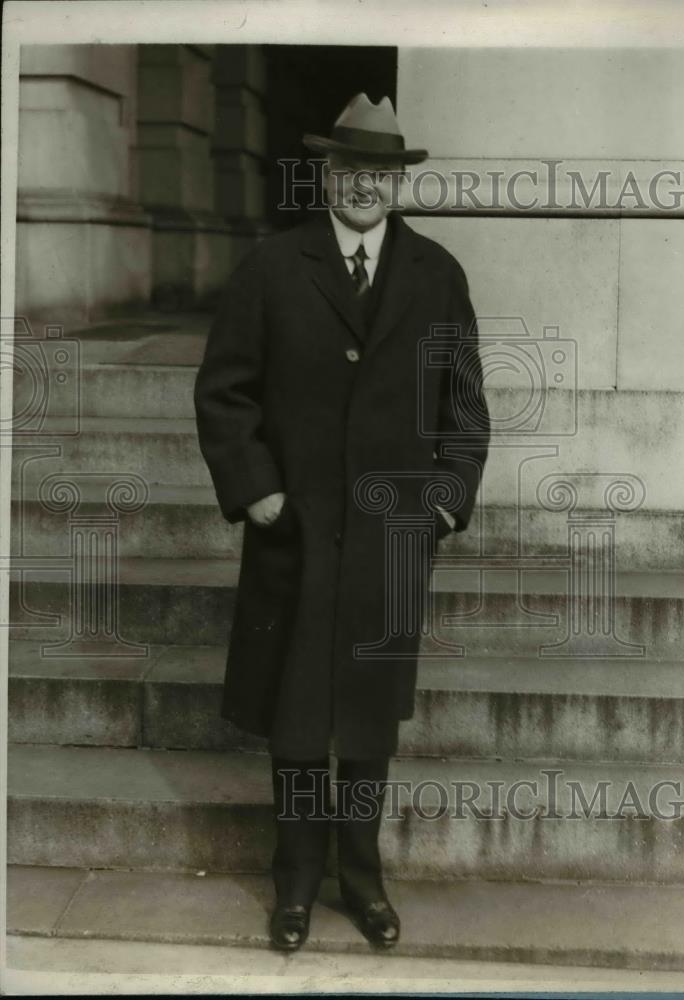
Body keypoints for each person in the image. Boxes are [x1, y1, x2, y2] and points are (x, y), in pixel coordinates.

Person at [193, 93, 489, 952]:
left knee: (365, 719)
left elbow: (464, 408)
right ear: (326, 175)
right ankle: (292, 883)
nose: (365, 185)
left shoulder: (437, 275)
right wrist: (256, 489)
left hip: (390, 542)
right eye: (351, 169)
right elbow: (224, 392)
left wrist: (442, 497)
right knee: (295, 716)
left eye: (381, 173)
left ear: (398, 183)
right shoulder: (272, 269)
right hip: (294, 532)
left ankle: (360, 880)